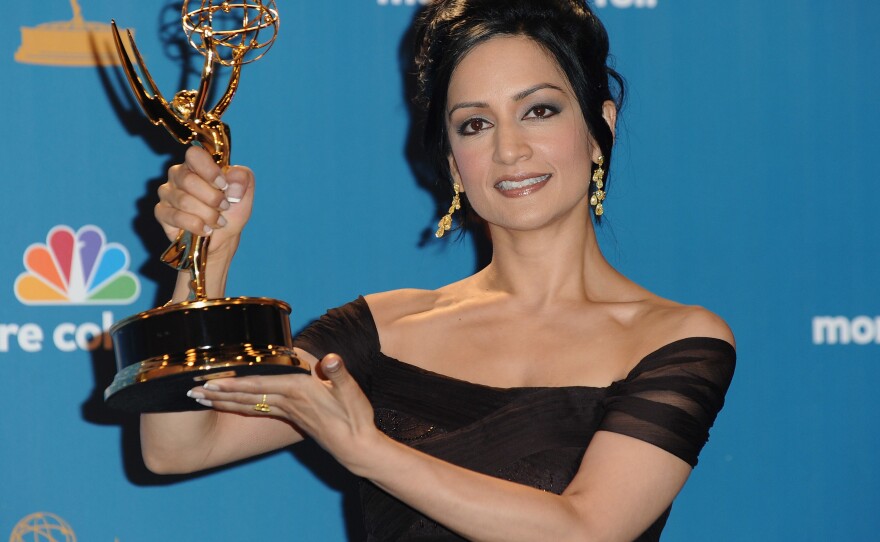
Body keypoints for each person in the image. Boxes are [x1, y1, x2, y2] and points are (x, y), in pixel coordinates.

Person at [145, 0, 735, 540]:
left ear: (598, 126)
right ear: (454, 161)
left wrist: (368, 450)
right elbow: (181, 447)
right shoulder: (381, 329)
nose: (510, 150)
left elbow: (586, 529)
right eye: (475, 124)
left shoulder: (677, 339)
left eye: (539, 110)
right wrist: (207, 259)